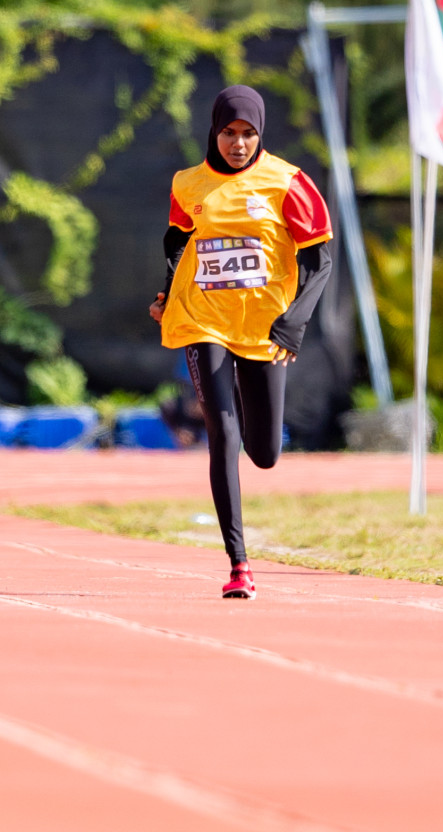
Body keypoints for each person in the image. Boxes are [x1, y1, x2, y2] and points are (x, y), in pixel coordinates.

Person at [149, 85, 333, 599]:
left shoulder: (288, 182)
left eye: (248, 133)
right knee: (222, 434)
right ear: (214, 131)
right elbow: (178, 242)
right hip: (203, 319)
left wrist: (294, 320)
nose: (237, 143)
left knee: (265, 452)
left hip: (263, 327)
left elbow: (320, 261)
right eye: (229, 133)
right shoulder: (188, 184)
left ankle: (258, 448)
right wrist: (167, 292)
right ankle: (239, 565)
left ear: (260, 134)